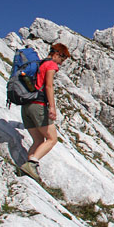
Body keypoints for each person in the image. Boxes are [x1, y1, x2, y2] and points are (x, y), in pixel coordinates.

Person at [19, 43, 70, 181]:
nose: (61, 63)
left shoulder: (39, 64)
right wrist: (52, 107)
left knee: (38, 140)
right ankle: (32, 164)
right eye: (62, 59)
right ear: (58, 54)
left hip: (26, 106)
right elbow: (48, 86)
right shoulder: (51, 65)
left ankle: (26, 170)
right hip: (38, 106)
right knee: (52, 139)